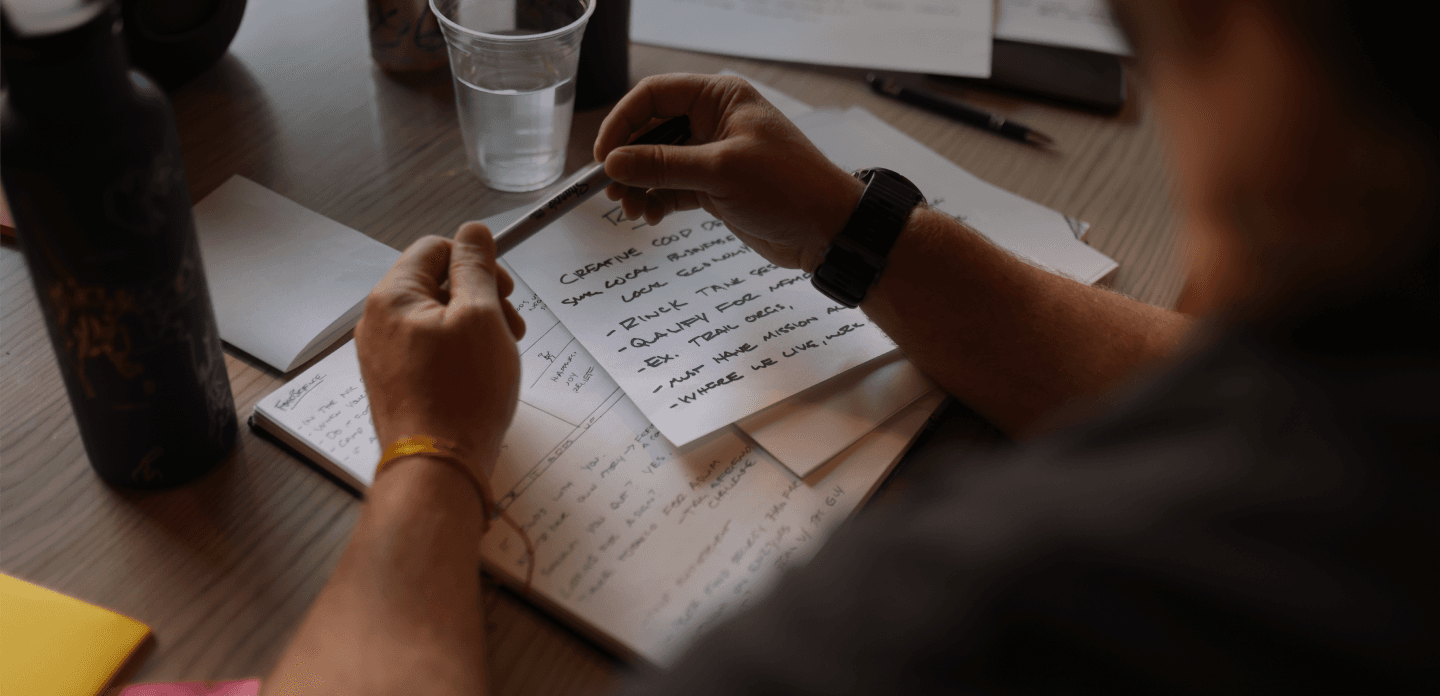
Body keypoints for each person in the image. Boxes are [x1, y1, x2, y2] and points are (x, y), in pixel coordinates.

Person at [261, 0, 1437, 693]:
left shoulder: (977, 607)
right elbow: (1229, 405)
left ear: (1262, 48)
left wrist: (426, 451)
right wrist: (851, 226)